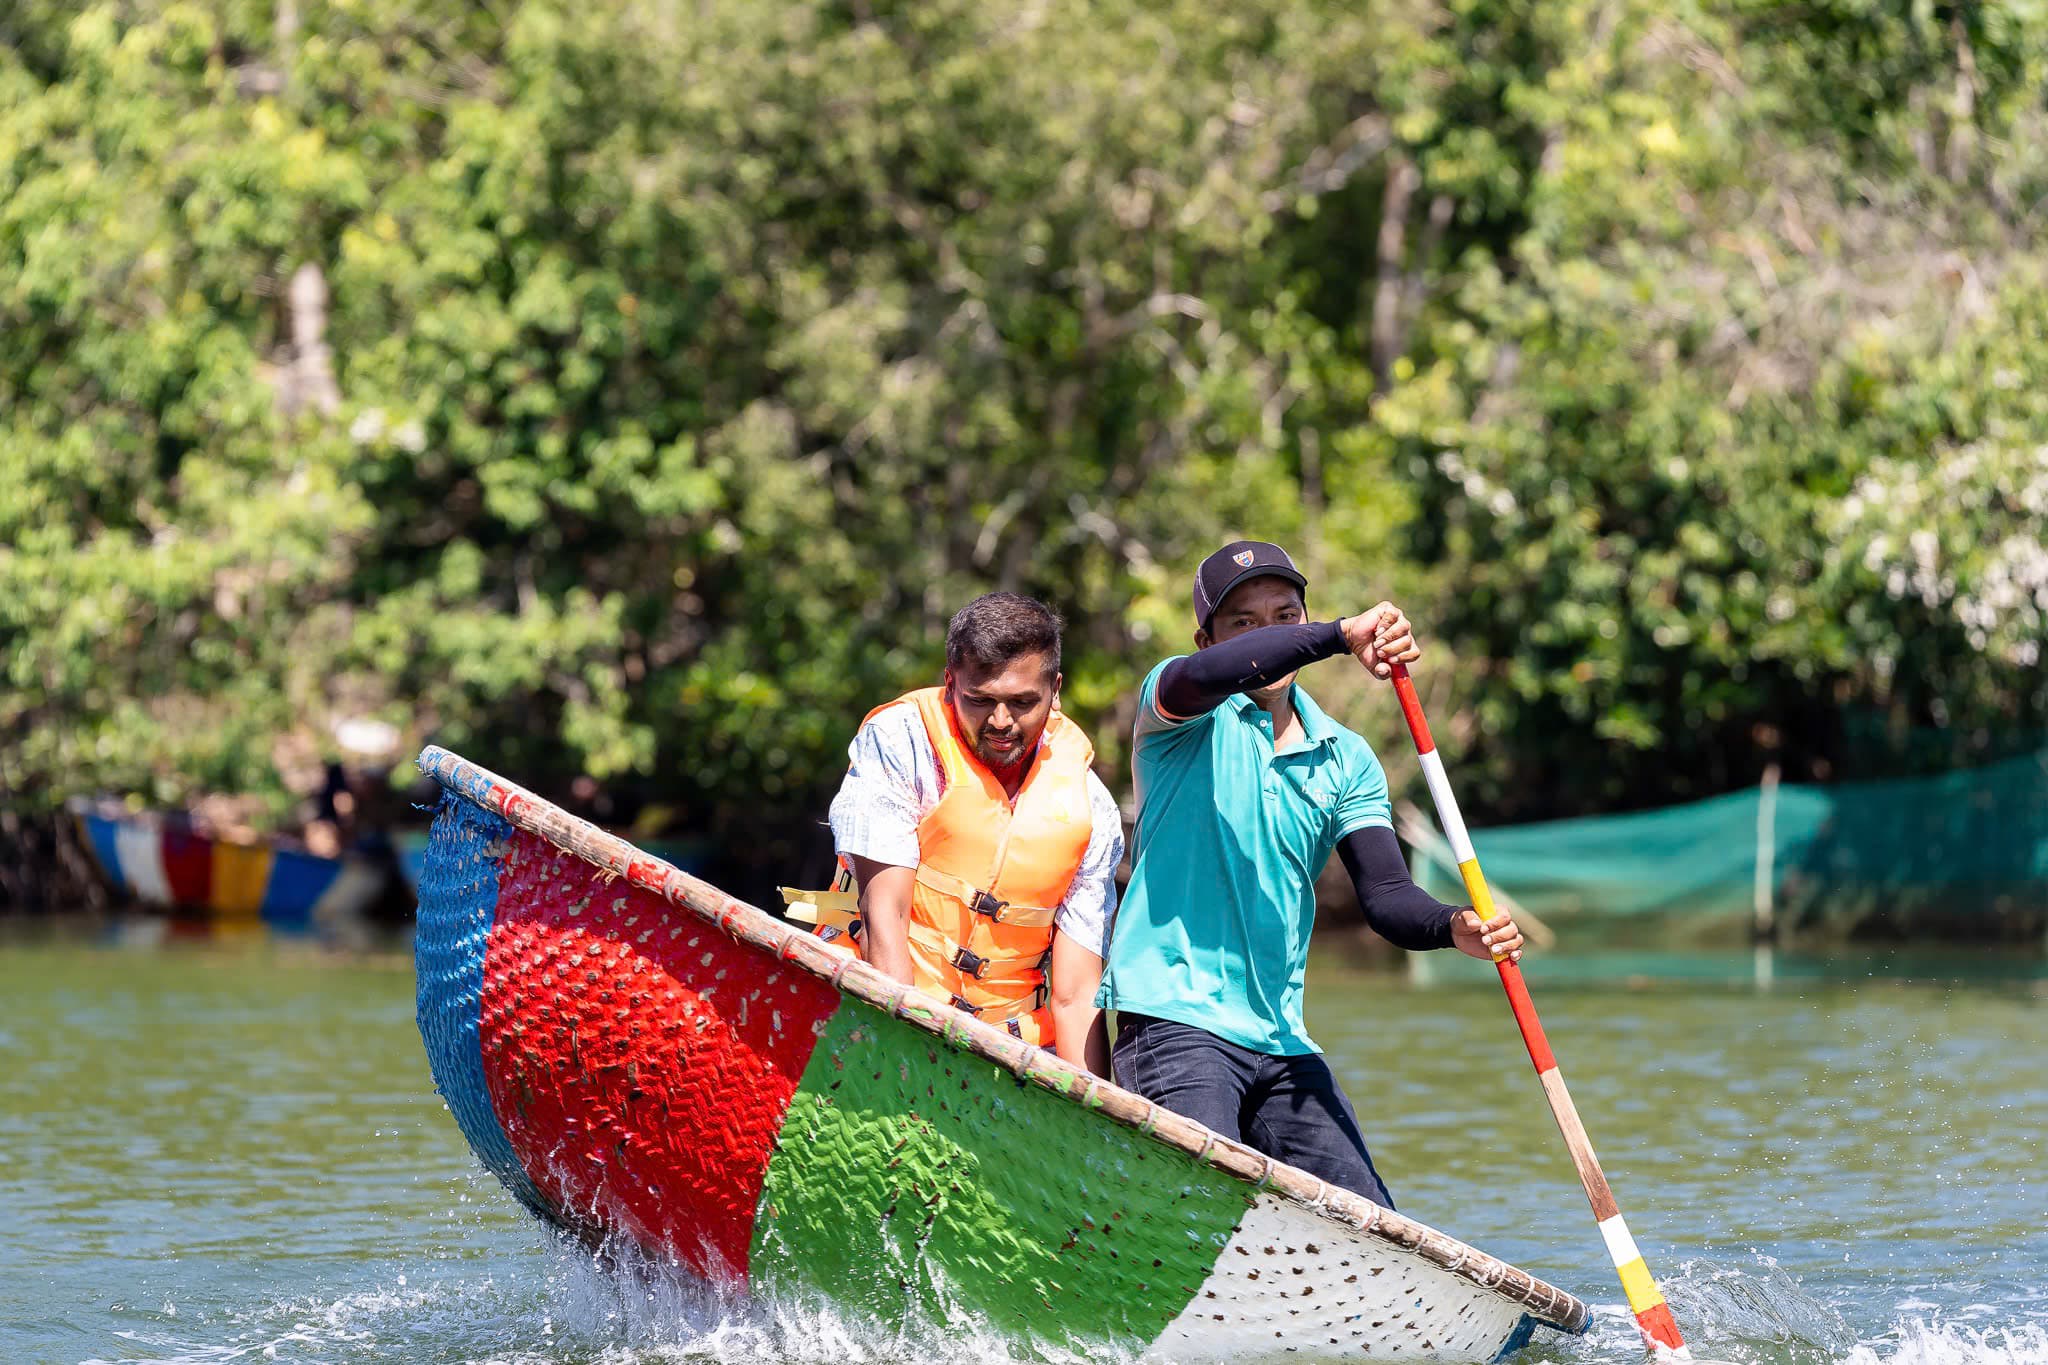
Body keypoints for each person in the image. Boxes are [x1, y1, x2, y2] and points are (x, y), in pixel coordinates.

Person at [1097, 540, 1524, 1207]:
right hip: (1174, 1018)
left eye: (1284, 613)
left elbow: (1385, 895)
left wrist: (1453, 926)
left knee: (1372, 1224)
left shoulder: (1346, 758)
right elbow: (1217, 673)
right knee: (1197, 1205)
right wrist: (1337, 635)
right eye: (1243, 621)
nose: (1266, 634)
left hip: (1279, 1037)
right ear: (1205, 637)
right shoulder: (1177, 708)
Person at [822, 592, 1125, 1074]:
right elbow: (886, 915)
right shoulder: (902, 739)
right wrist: (902, 1059)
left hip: (1007, 1045)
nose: (1001, 722)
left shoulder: (1094, 808)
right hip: (880, 1006)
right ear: (950, 683)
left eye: (1023, 702)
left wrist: (1097, 1121)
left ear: (1056, 689)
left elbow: (1074, 995)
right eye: (980, 700)